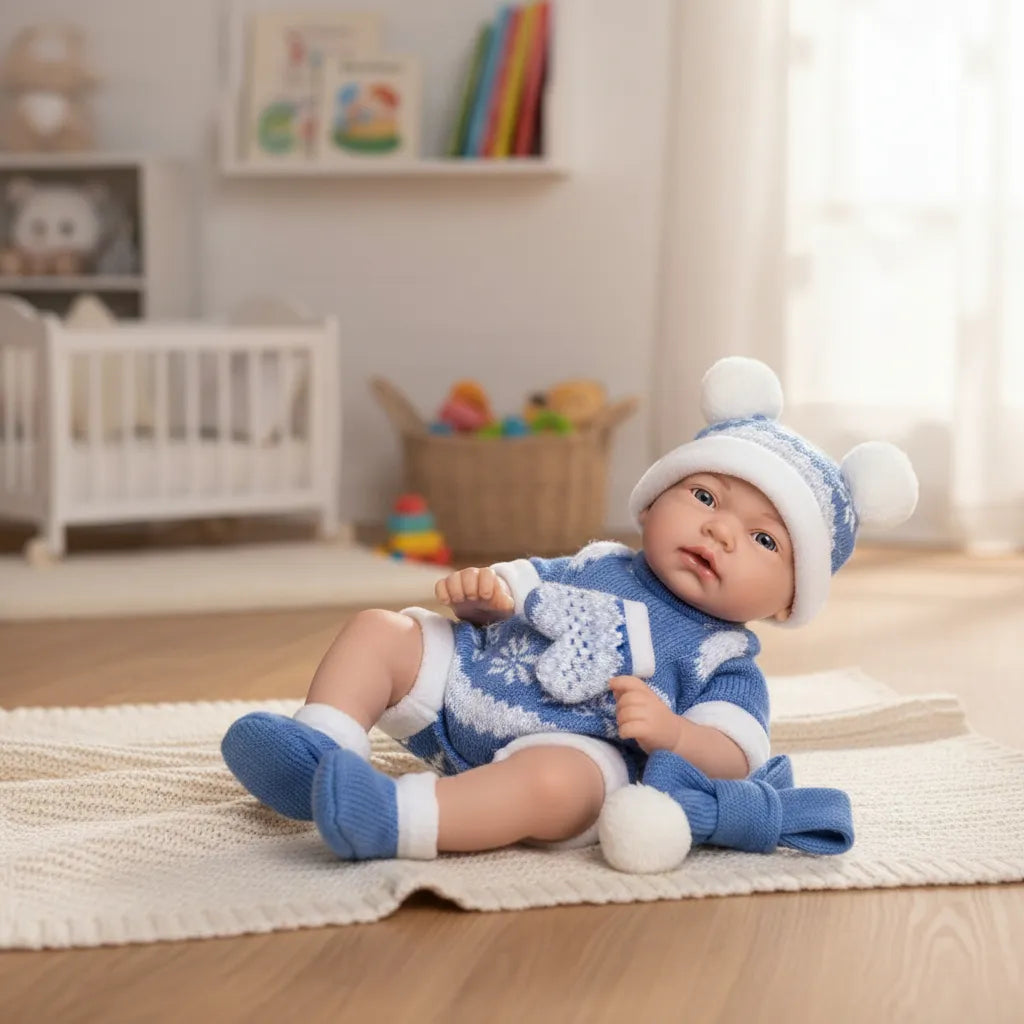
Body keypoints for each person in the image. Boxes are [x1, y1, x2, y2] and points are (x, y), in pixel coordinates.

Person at [222, 357, 918, 862]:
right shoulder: (595, 562)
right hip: (469, 689)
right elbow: (517, 592)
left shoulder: (723, 658)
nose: (719, 531)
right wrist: (484, 601)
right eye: (705, 498)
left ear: (788, 600)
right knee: (380, 630)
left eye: (764, 539)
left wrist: (672, 732)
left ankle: (392, 819)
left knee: (557, 787)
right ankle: (318, 753)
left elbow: (735, 756)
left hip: (575, 748)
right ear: (654, 500)